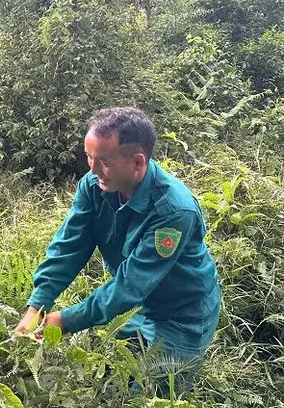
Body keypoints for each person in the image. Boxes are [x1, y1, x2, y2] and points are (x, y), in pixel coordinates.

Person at [15, 107, 220, 392]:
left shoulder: (174, 211)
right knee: (106, 377)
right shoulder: (94, 187)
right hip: (137, 307)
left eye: (103, 161)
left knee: (148, 401)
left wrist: (62, 321)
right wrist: (37, 307)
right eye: (89, 157)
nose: (92, 169)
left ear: (137, 163)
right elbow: (68, 247)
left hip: (181, 314)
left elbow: (130, 286)